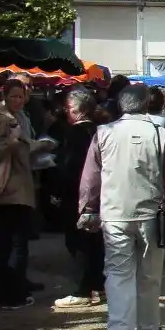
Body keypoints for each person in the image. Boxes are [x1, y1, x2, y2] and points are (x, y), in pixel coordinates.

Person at [78, 83, 165, 330]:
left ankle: (119, 327)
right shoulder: (160, 133)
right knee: (149, 273)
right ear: (146, 102)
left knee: (117, 272)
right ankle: (148, 328)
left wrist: (88, 208)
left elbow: (91, 178)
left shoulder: (103, 133)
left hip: (114, 212)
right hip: (151, 212)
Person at [0, 79, 39, 308]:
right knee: (11, 243)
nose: (18, 100)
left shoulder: (17, 116)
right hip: (7, 189)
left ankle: (15, 289)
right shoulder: (1, 118)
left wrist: (37, 146)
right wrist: (12, 144)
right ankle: (11, 296)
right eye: (13, 96)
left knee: (13, 242)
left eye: (21, 96)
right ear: (4, 96)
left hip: (15, 187)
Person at [53, 89, 106, 308]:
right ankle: (98, 285)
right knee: (95, 241)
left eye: (69, 108)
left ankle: (83, 290)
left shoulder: (75, 134)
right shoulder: (99, 131)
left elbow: (71, 167)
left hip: (78, 195)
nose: (66, 112)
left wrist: (56, 190)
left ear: (78, 110)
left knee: (79, 243)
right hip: (98, 194)